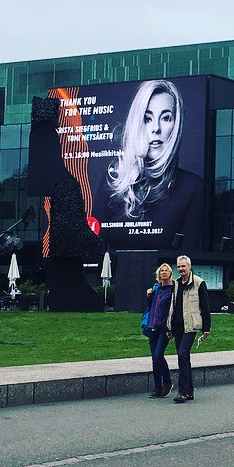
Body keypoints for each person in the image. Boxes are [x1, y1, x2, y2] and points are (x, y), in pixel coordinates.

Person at [92, 79, 202, 251]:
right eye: (147, 118)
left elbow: (188, 259)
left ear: (176, 124)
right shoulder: (114, 179)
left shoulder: (192, 187)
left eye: (166, 118)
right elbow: (93, 251)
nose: (156, 128)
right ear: (137, 123)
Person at [165, 256, 211, 403]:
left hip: (190, 326)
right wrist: (169, 326)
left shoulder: (198, 283)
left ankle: (182, 392)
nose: (181, 269)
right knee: (184, 357)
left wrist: (206, 327)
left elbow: (205, 306)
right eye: (179, 267)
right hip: (177, 326)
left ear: (189, 267)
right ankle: (190, 392)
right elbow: (172, 306)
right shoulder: (176, 284)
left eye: (183, 266)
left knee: (183, 354)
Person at [143, 263, 175, 398]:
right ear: (158, 274)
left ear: (170, 273)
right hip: (153, 325)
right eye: (162, 271)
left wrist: (171, 327)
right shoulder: (156, 288)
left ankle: (167, 382)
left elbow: (174, 309)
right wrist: (148, 296)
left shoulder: (173, 289)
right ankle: (157, 387)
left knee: (158, 355)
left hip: (164, 327)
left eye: (166, 270)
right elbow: (149, 306)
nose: (164, 272)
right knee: (155, 358)